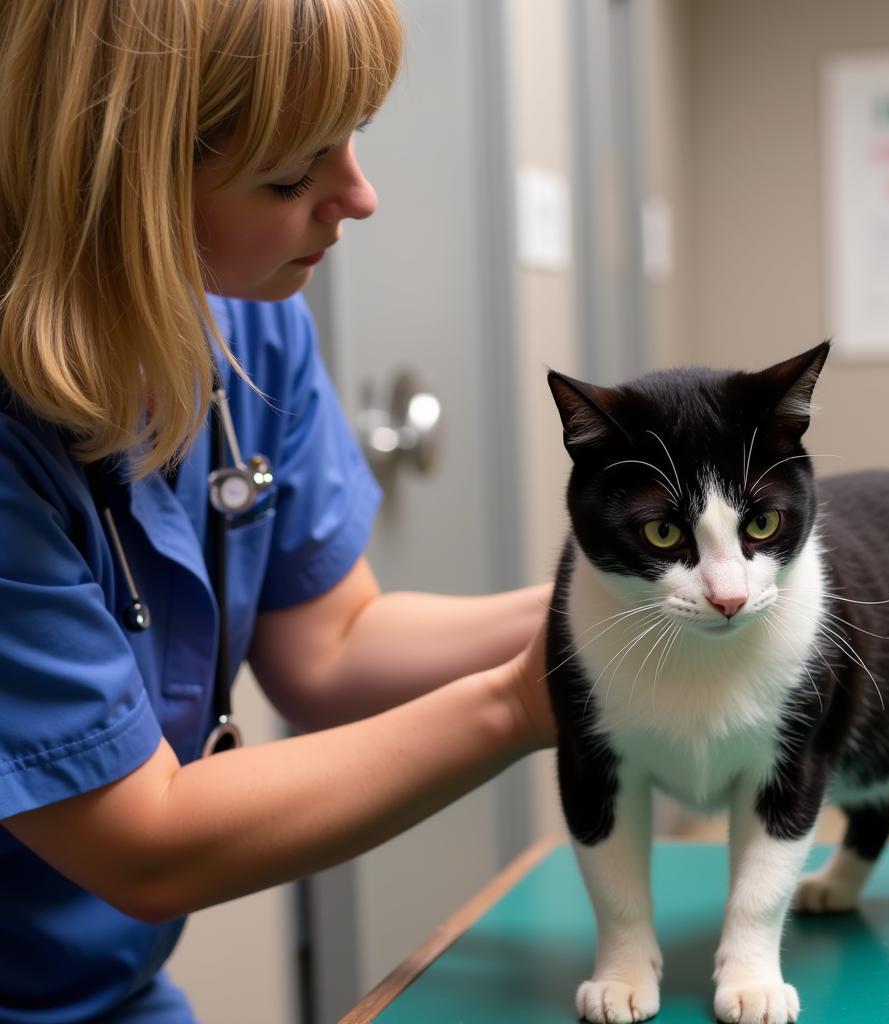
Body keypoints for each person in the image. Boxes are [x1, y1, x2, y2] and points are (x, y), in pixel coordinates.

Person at [0, 1, 555, 1020]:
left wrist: (630, 601)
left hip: (105, 991)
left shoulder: (249, 335)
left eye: (351, 140)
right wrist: (525, 701)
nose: (358, 196)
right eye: (292, 174)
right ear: (126, 187)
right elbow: (148, 844)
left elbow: (332, 645)